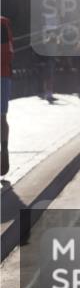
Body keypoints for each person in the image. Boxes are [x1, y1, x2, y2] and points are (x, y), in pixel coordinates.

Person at [1, 15, 13, 180]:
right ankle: (3, 147)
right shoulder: (3, 23)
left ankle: (3, 149)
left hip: (2, 76)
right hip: (3, 75)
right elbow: (8, 54)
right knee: (1, 117)